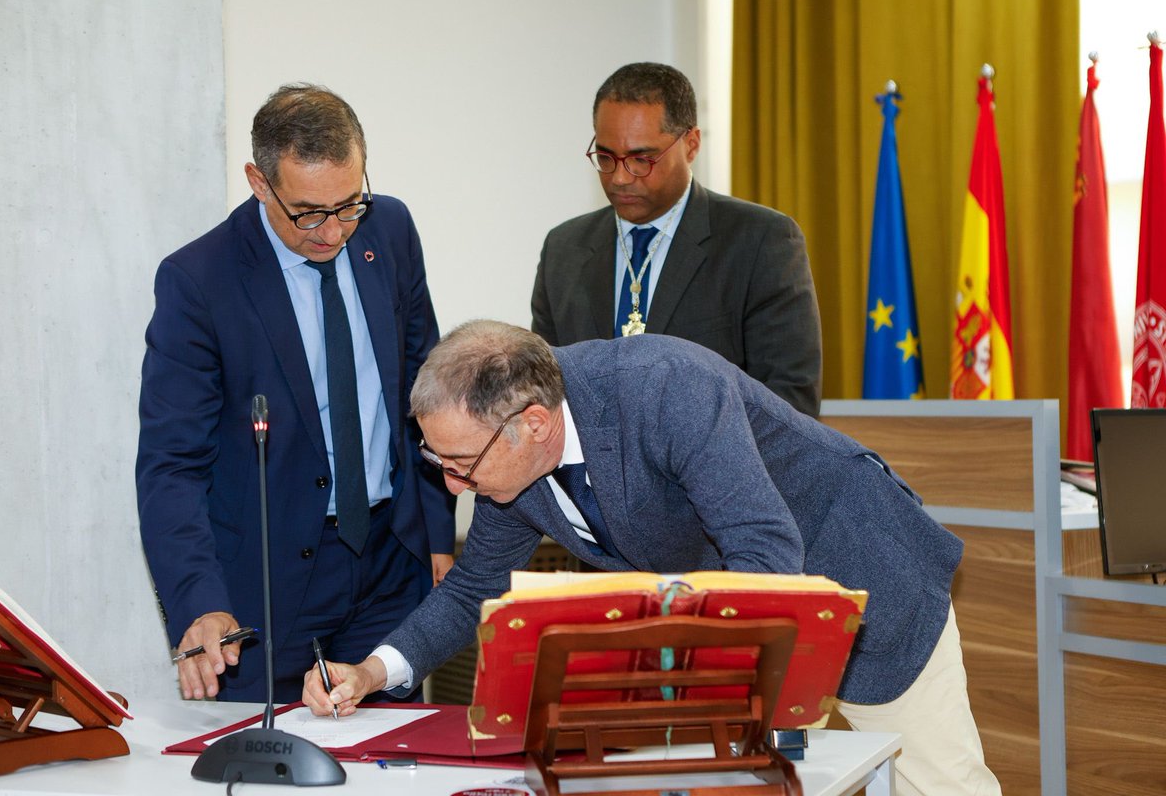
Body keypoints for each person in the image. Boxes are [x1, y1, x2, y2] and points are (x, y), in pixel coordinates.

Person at [303, 320, 1001, 796]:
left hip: (859, 568)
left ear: (533, 423)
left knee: (936, 783)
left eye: (460, 463)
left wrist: (656, 669)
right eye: (439, 462)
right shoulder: (507, 467)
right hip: (744, 607)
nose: (453, 486)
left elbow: (764, 549)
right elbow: (470, 590)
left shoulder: (667, 385)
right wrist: (371, 670)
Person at [136, 83, 456, 704]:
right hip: (265, 586)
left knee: (392, 749)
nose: (333, 231)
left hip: (391, 560)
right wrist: (200, 601)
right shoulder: (199, 281)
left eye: (349, 204)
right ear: (259, 183)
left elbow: (427, 387)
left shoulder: (389, 229)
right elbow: (171, 463)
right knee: (262, 752)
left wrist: (438, 532)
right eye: (308, 212)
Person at [531, 62, 822, 417]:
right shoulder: (564, 249)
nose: (620, 178)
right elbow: (543, 397)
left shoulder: (760, 241)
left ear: (691, 144)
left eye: (641, 159)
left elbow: (789, 408)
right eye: (606, 157)